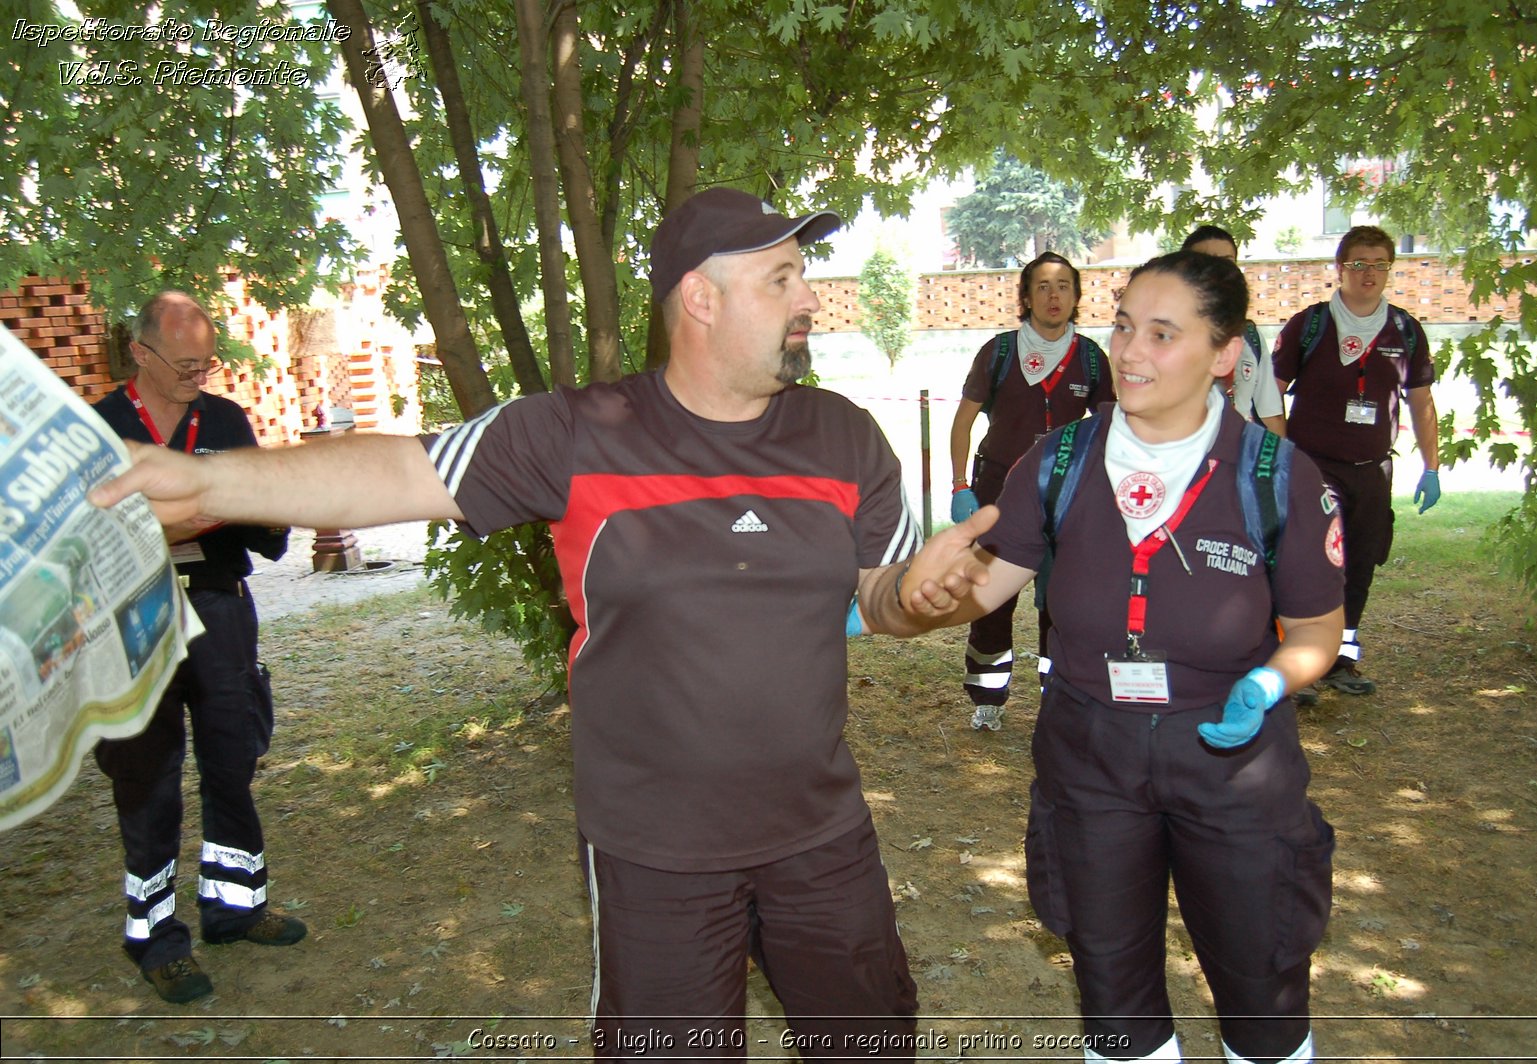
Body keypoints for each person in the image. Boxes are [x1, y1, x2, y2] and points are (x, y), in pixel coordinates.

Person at [91, 189, 994, 1058]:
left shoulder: (843, 437)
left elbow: (877, 595)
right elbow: (398, 473)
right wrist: (209, 481)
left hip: (824, 840)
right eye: (783, 277)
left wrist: (918, 601)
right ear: (701, 298)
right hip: (655, 858)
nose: (810, 298)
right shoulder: (580, 433)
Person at [941, 250, 1344, 1064]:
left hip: (1231, 764)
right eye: (1124, 326)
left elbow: (1315, 634)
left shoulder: (1277, 478)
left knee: (1262, 988)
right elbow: (984, 587)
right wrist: (888, 599)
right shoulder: (1059, 460)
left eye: (1163, 334)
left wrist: (1268, 683)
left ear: (1224, 354)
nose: (1129, 353)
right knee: (1114, 994)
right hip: (1090, 754)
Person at [91, 292, 304, 1005]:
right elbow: (78, 538)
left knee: (232, 755)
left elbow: (267, 518)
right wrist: (171, 524)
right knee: (145, 776)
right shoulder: (99, 427)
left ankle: (235, 908)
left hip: (218, 605)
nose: (198, 376)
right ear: (140, 354)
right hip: (137, 618)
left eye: (205, 362)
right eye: (184, 364)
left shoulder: (226, 419)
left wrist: (219, 513)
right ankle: (155, 937)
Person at [948, 251, 1113, 731]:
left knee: (1063, 600)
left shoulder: (1090, 357)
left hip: (1068, 495)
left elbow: (1108, 431)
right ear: (1025, 297)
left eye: (1063, 285)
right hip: (1000, 490)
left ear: (1077, 296)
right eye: (1042, 285)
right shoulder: (999, 352)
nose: (1053, 294)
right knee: (992, 598)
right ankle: (987, 698)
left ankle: (1059, 698)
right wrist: (961, 486)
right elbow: (963, 422)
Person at [1273, 224, 1440, 696]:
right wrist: (1281, 456)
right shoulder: (1310, 325)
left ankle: (1341, 659)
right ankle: (1295, 661)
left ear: (1390, 270)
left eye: (1380, 264)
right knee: (1310, 562)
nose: (1369, 273)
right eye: (1358, 263)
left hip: (1372, 470)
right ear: (1340, 268)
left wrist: (1432, 467)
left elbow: (1421, 402)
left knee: (1360, 564)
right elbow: (1270, 394)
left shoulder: (1404, 329)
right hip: (1314, 467)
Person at [1181, 224, 1287, 437]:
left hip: (1237, 453)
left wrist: (1280, 464)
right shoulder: (1171, 335)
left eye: (1227, 262)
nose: (1219, 272)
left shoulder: (1249, 336)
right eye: (1207, 262)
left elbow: (1270, 413)